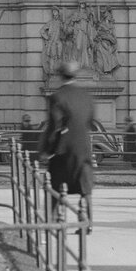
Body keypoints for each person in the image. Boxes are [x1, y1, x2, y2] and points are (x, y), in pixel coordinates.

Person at [41, 59, 96, 226]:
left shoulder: (57, 96)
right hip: (83, 148)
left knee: (55, 187)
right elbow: (90, 121)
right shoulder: (87, 97)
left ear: (60, 76)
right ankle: (88, 223)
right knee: (85, 189)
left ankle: (51, 224)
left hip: (63, 149)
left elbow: (54, 126)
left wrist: (46, 150)